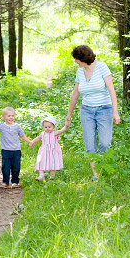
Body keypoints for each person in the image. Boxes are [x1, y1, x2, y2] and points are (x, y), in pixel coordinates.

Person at [66, 45, 120, 181]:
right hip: (87, 111)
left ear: (83, 58)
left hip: (104, 109)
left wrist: (115, 112)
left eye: (76, 59)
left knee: (105, 143)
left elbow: (111, 90)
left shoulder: (102, 67)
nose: (75, 61)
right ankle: (96, 174)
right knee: (90, 145)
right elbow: (75, 94)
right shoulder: (80, 72)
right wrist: (69, 114)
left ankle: (102, 165)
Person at [0, 107, 31, 189]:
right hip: (6, 150)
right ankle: (5, 182)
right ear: (3, 117)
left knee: (16, 166)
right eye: (9, 116)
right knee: (5, 167)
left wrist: (29, 141)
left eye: (13, 116)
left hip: (16, 150)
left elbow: (22, 135)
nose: (11, 117)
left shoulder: (17, 126)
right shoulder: (1, 125)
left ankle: (15, 182)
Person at [29, 116, 69, 181]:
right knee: (40, 161)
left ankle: (52, 178)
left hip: (53, 151)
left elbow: (62, 130)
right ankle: (41, 175)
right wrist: (32, 141)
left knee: (52, 164)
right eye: (45, 127)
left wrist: (66, 126)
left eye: (49, 127)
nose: (47, 128)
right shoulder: (42, 134)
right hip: (44, 151)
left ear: (53, 127)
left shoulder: (55, 133)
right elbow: (38, 138)